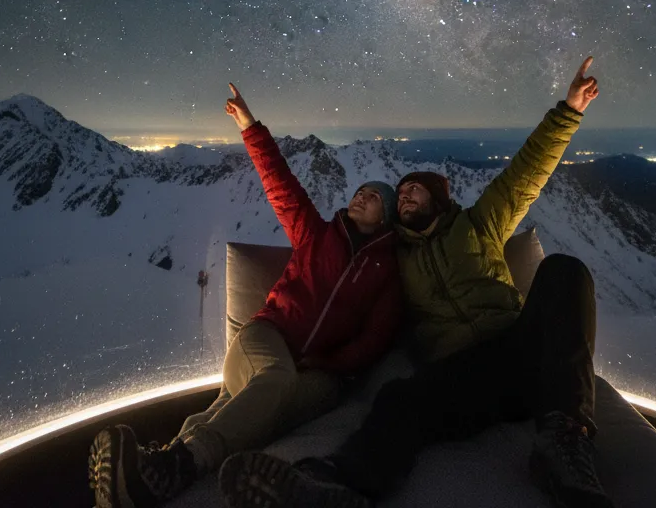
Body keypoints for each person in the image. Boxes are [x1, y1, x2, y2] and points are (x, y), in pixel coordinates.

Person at [218, 57, 611, 508]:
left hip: (521, 348)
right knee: (399, 399)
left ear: (438, 198)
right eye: (399, 195)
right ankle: (336, 483)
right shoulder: (394, 261)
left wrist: (569, 110)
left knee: (564, 270)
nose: (404, 196)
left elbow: (526, 173)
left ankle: (565, 442)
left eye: (413, 190)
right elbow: (342, 284)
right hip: (467, 375)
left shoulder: (479, 224)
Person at [89, 83, 403, 508]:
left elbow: (373, 340)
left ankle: (153, 477)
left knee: (247, 410)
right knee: (276, 379)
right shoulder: (316, 234)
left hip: (320, 372)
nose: (361, 197)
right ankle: (183, 463)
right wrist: (249, 125)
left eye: (374, 197)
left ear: (386, 218)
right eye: (360, 191)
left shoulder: (386, 272)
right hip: (265, 337)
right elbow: (280, 183)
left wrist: (328, 364)